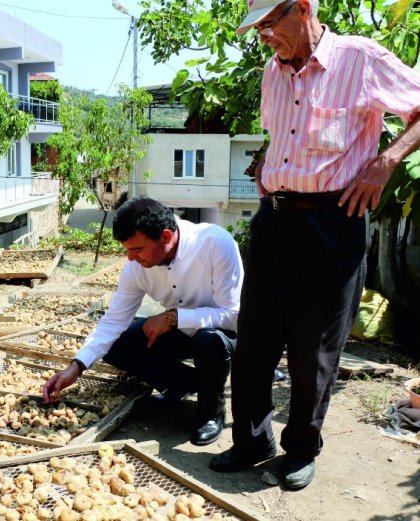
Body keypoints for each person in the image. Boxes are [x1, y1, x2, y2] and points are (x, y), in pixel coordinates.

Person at [210, 0, 420, 490]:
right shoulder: (272, 71)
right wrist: (266, 165)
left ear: (301, 9)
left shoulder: (360, 60)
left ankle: (301, 448)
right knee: (255, 341)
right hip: (274, 223)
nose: (263, 36)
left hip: (333, 222)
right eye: (256, 27)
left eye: (268, 23)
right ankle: (251, 440)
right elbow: (283, 135)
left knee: (314, 350)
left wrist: (387, 160)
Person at [42, 196, 243, 446]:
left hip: (222, 335)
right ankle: (182, 384)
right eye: (127, 250)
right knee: (118, 343)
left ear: (166, 237)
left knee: (210, 340)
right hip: (180, 332)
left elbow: (234, 315)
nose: (130, 258)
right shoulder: (136, 265)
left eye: (137, 250)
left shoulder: (215, 243)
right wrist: (77, 366)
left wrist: (173, 318)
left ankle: (210, 412)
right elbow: (114, 320)